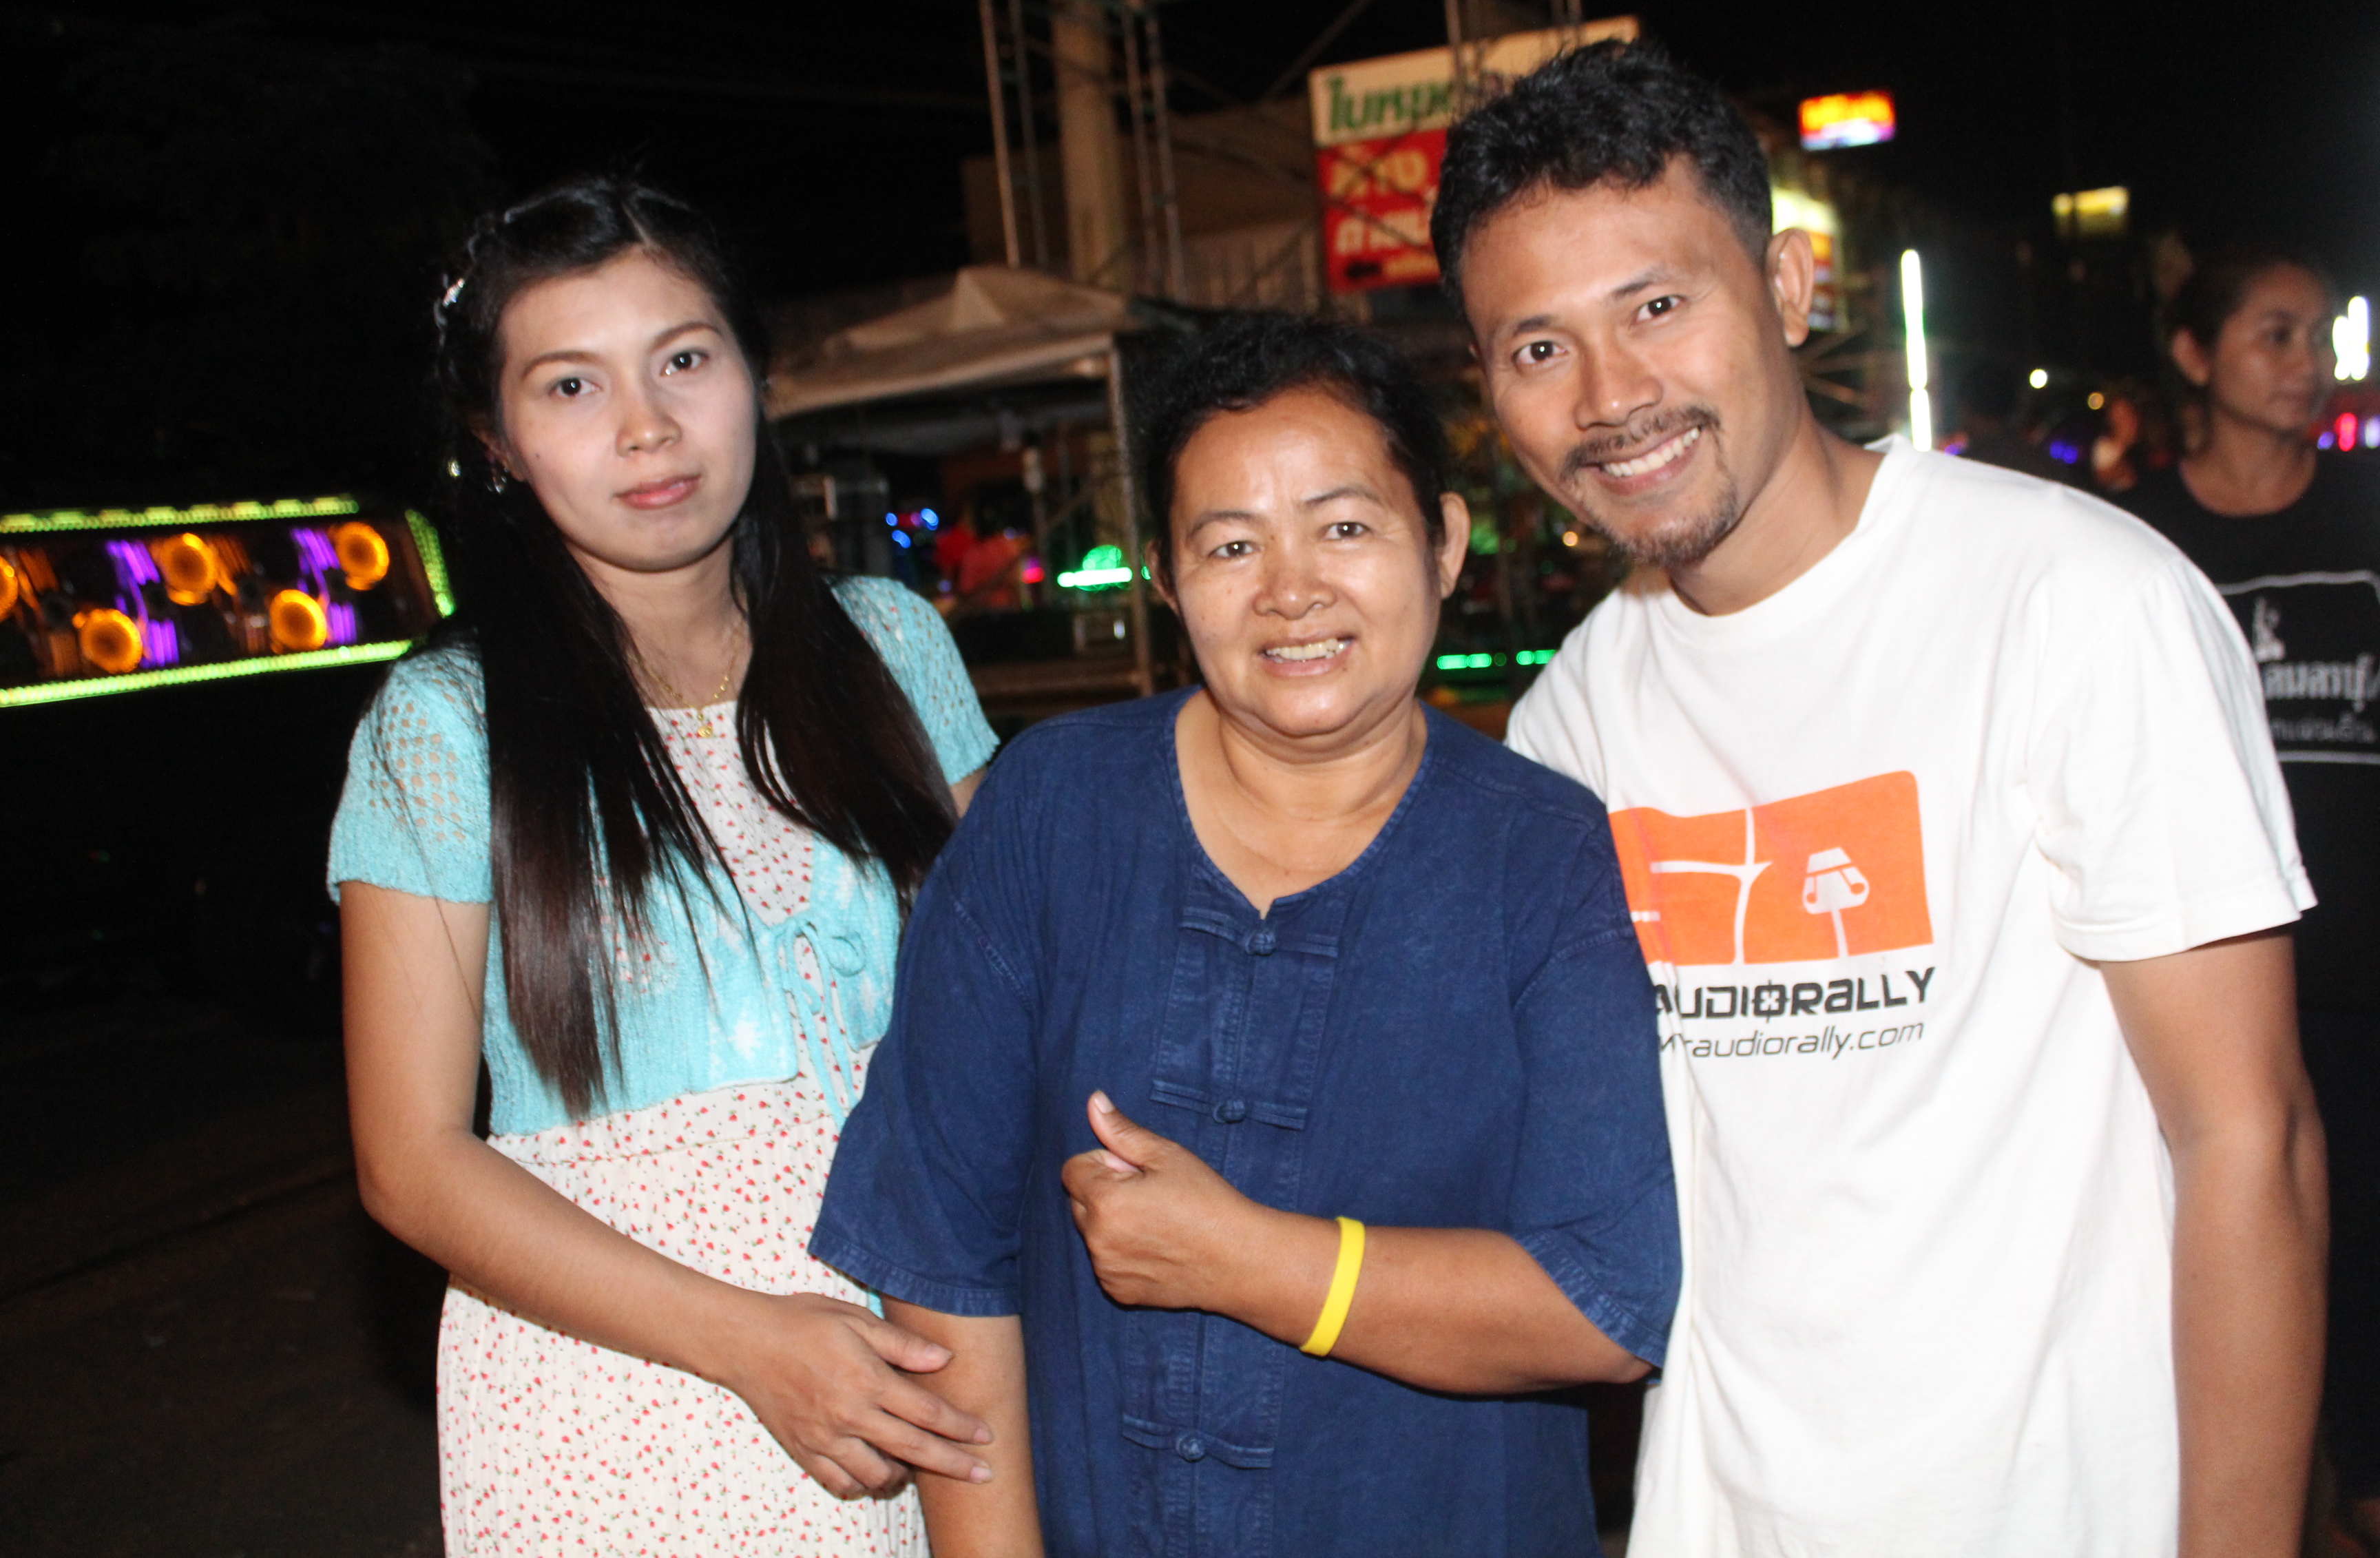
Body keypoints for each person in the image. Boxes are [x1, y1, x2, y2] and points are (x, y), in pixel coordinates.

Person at [1433, 40, 2326, 1557]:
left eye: (1658, 306)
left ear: (1788, 289)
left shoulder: (2075, 603)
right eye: (1538, 349)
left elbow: (2249, 1142)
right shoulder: (1572, 720)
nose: (1612, 397)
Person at [811, 313, 1679, 1558]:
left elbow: (1609, 1301)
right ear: (1166, 580)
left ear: (1442, 543)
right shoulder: (1054, 809)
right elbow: (943, 1249)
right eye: (1230, 544)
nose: (1291, 590)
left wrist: (1251, 1261)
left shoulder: (1540, 853)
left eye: (1345, 527)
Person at [330, 176, 1003, 1556]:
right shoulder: (446, 726)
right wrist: (749, 1343)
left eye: (684, 360)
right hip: (621, 1400)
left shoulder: (892, 647)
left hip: (926, 1358)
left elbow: (1010, 1007)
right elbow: (410, 1160)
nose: (645, 426)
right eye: (571, 386)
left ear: (756, 375)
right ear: (498, 441)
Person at [2122, 247, 2380, 1553]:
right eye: (2274, 334)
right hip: (2206, 1001)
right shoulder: (2130, 547)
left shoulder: (2367, 512)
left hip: (2364, 986)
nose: (2306, 364)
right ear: (2195, 355)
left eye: (2318, 337)